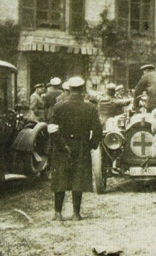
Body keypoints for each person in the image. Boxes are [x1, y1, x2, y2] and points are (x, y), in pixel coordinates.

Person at [48, 77, 103, 221]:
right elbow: (98, 130)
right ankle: (76, 214)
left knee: (60, 178)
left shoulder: (59, 106)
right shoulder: (90, 107)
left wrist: (61, 145)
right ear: (83, 89)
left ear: (69, 89)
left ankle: (57, 213)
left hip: (61, 147)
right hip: (81, 146)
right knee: (78, 178)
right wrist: (91, 145)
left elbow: (52, 129)